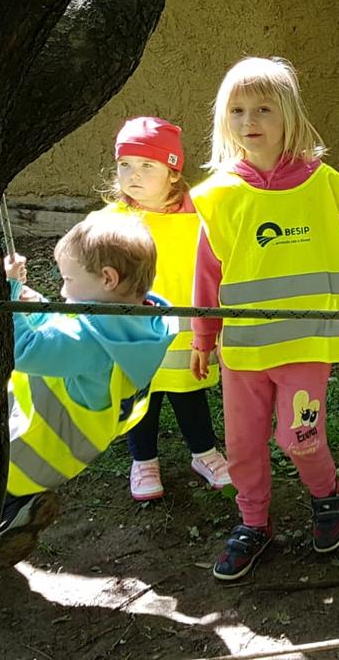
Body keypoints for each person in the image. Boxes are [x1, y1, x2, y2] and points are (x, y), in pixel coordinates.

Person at [191, 57, 339, 581]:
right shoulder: (219, 195)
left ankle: (326, 495)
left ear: (289, 115)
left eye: (264, 108)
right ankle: (254, 522)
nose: (251, 120)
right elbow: (208, 275)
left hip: (307, 341)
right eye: (238, 109)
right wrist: (205, 334)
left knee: (300, 435)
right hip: (245, 348)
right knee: (244, 445)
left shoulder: (325, 186)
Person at [0, 214, 176, 565]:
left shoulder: (91, 344)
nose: (63, 290)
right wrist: (31, 305)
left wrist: (9, 296)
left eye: (68, 279)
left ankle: (8, 521)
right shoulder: (138, 325)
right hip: (72, 446)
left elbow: (25, 351)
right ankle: (19, 508)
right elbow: (67, 332)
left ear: (108, 279)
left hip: (32, 448)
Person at [97, 116, 231, 501]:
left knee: (189, 392)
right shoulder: (112, 221)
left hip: (187, 334)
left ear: (174, 172)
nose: (132, 175)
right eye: (124, 165)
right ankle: (143, 461)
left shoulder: (200, 217)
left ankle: (204, 453)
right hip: (134, 335)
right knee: (141, 396)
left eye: (146, 166)